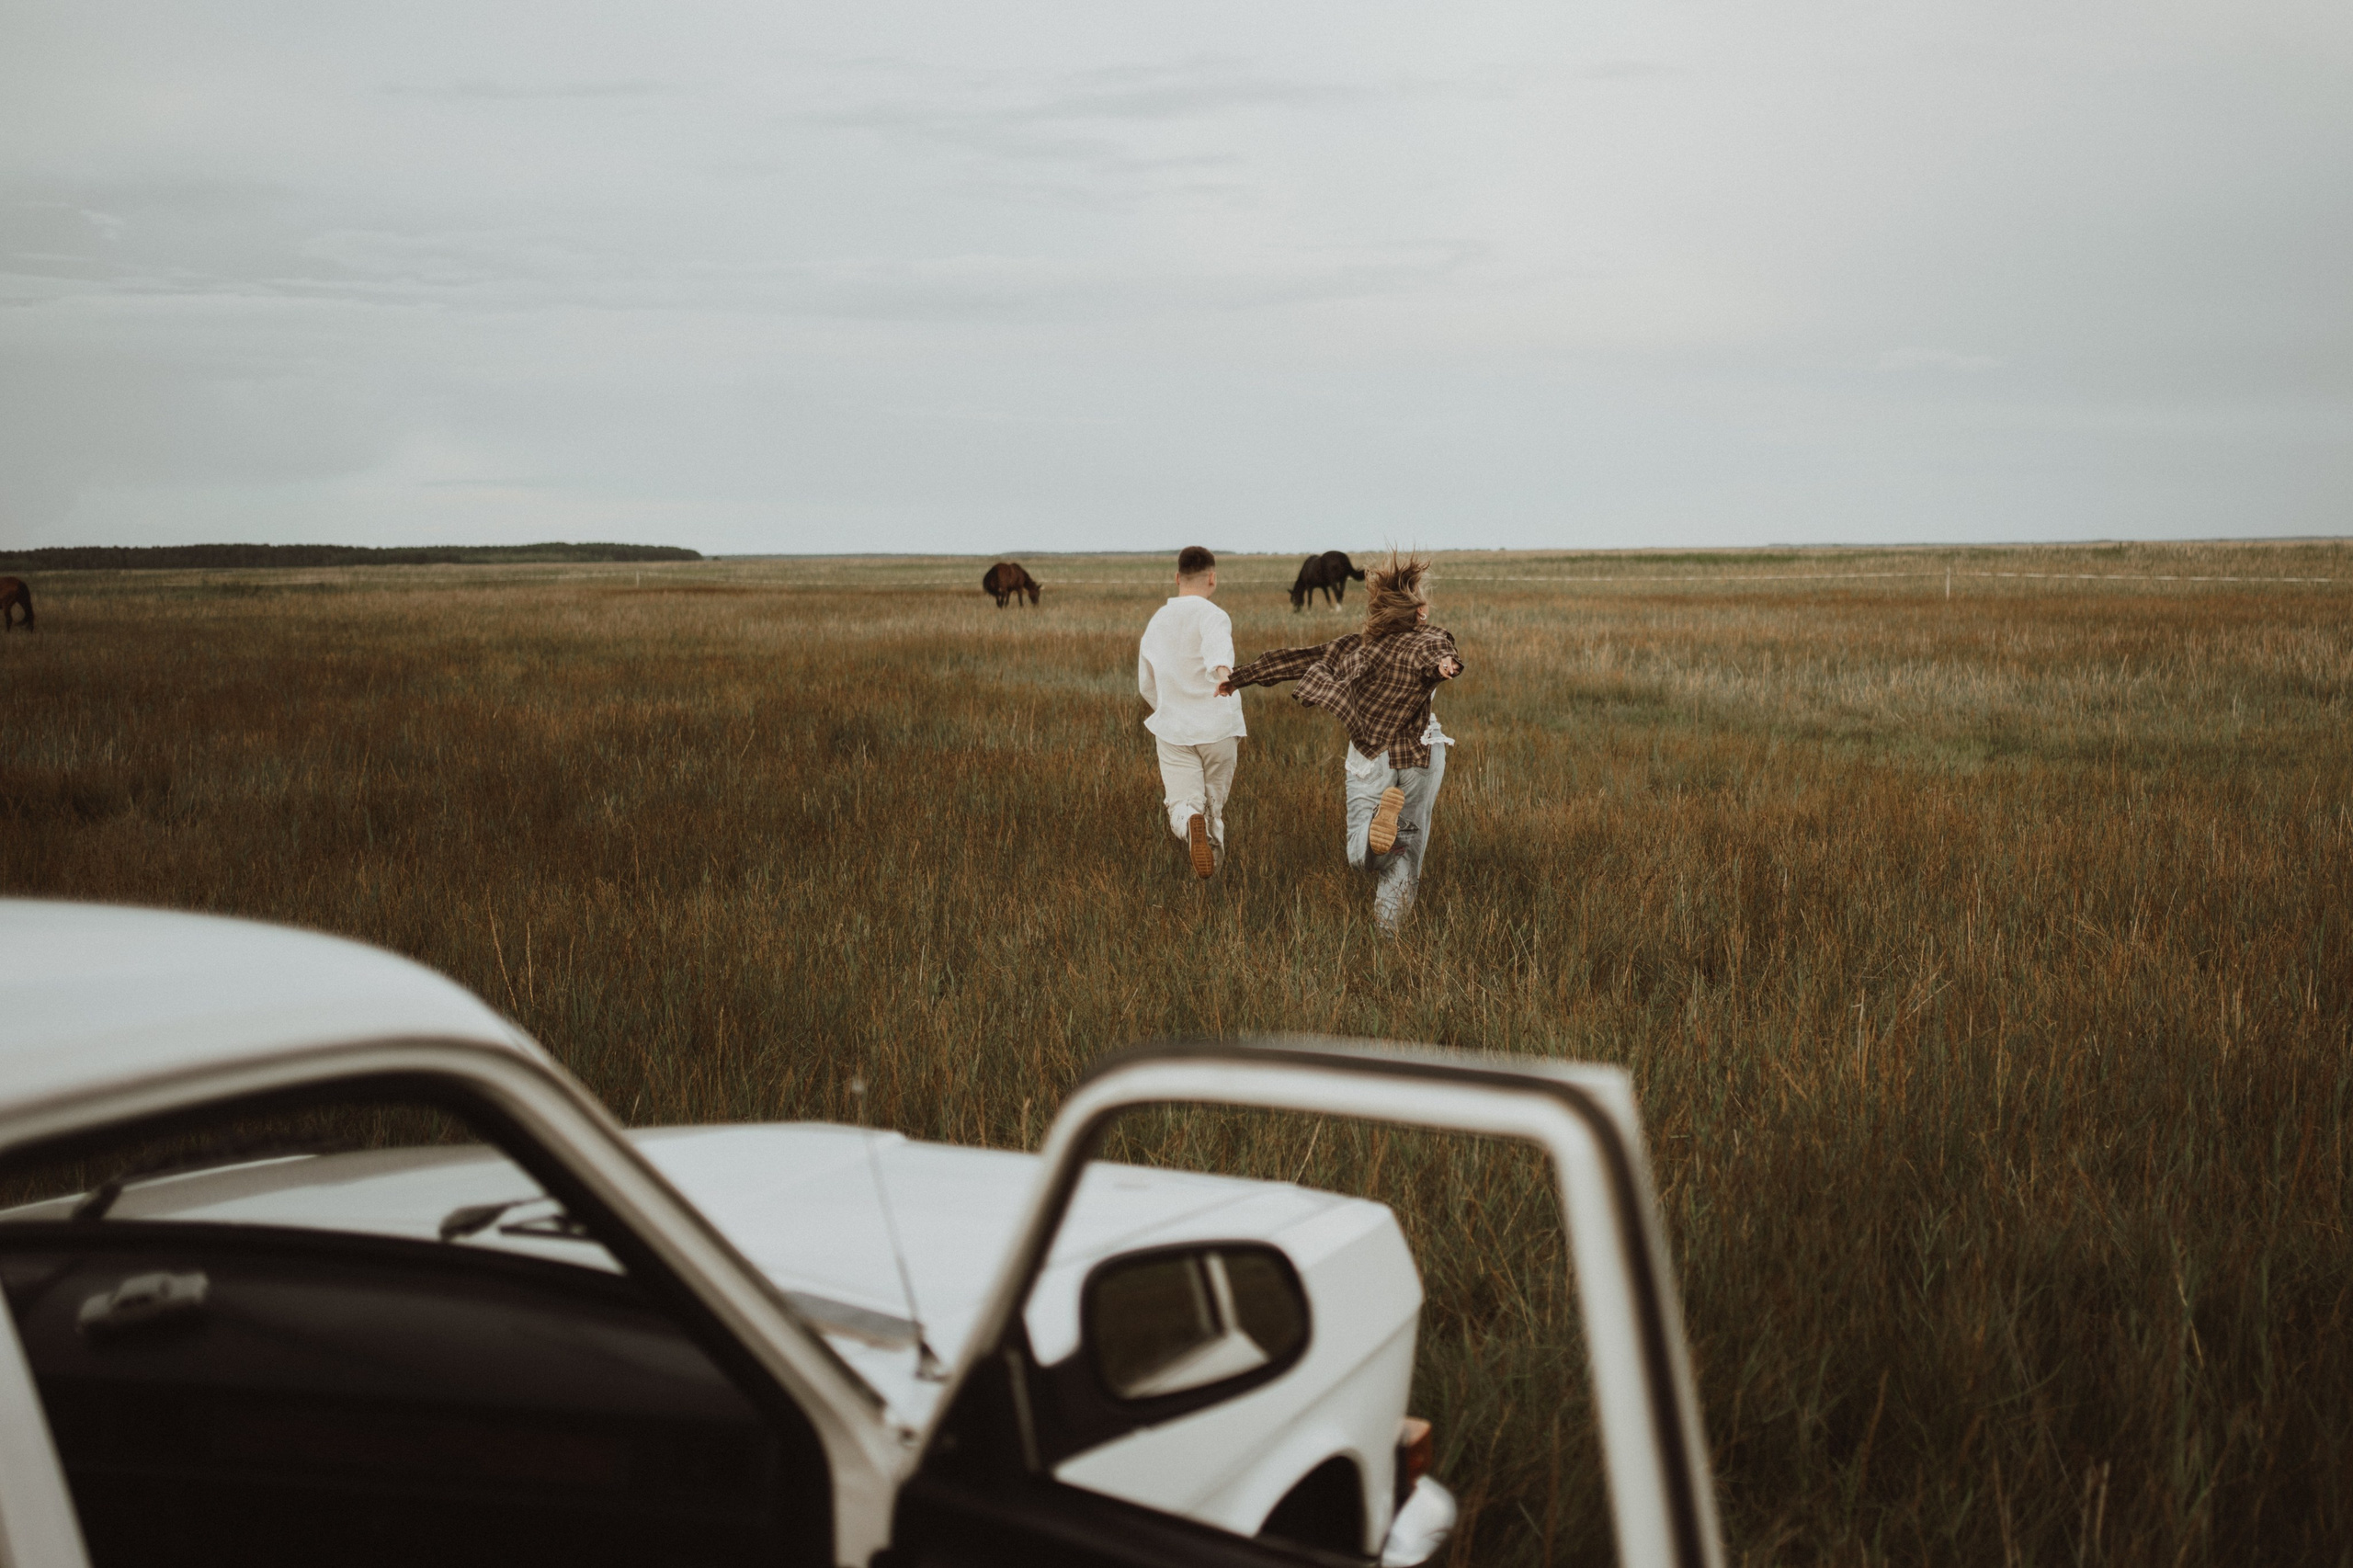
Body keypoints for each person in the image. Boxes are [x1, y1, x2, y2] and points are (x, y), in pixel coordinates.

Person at [1220, 553, 1462, 931]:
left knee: (1359, 852)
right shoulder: (1432, 637)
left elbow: (1299, 660)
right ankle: (1387, 935)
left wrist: (1240, 677)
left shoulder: (1356, 646)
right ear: (1421, 612)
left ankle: (1372, 838)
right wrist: (1445, 666)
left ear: (1378, 611)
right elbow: (1436, 654)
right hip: (1421, 753)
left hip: (1371, 753)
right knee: (1407, 852)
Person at [1137, 545, 1245, 879]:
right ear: (1212, 578)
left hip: (1174, 730)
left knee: (1183, 803)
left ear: (1177, 578)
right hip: (1218, 728)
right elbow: (1217, 649)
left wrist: (1169, 708)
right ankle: (1211, 890)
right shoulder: (1213, 615)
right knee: (1214, 807)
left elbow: (1146, 683)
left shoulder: (1157, 621)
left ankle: (1189, 824)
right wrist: (1224, 673)